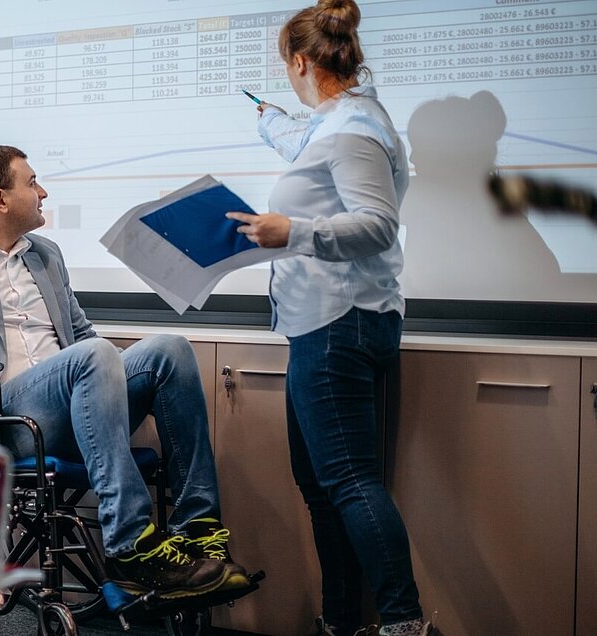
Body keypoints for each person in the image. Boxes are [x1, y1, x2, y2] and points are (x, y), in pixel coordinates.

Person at [0, 144, 249, 599]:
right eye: (32, 182)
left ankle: (198, 529)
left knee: (169, 350)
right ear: (0, 199)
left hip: (74, 406)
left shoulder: (46, 255)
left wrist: (115, 369)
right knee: (94, 355)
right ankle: (129, 546)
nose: (43, 191)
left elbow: (80, 336)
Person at [226, 1, 431, 635]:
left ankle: (404, 625)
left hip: (340, 322)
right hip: (320, 323)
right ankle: (343, 621)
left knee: (347, 481)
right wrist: (274, 122)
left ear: (301, 61)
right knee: (320, 482)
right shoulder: (340, 121)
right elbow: (310, 145)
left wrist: (295, 229)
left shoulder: (352, 129)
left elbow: (376, 224)